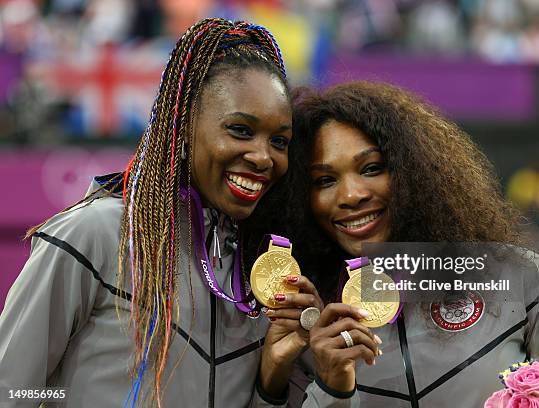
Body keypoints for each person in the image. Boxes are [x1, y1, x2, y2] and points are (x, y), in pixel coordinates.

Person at [0, 18, 321, 408]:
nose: (262, 156)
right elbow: (11, 388)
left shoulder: (262, 268)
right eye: (239, 130)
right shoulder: (96, 234)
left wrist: (271, 382)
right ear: (183, 125)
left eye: (279, 141)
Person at [265, 82, 539, 407]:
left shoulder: (523, 278)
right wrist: (330, 389)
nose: (352, 195)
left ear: (413, 171)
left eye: (371, 168)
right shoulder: (304, 322)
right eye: (324, 180)